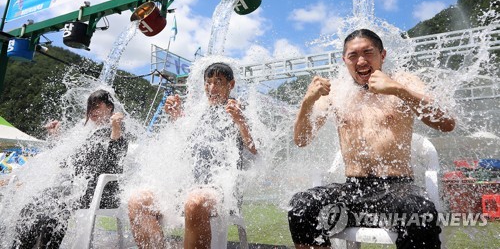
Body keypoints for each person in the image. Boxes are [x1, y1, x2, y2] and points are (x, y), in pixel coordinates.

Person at [289, 29, 455, 249]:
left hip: (398, 189)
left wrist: (398, 90)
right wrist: (307, 102)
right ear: (344, 60)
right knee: (301, 206)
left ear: (382, 55)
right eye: (353, 55)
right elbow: (302, 139)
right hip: (353, 190)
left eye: (368, 52)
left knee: (420, 210)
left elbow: (446, 123)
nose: (361, 61)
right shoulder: (336, 91)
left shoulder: (403, 81)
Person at [128, 62, 257, 249]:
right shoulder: (198, 114)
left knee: (194, 201)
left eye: (218, 82)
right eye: (208, 82)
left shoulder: (240, 111)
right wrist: (176, 117)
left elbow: (255, 152)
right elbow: (185, 148)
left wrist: (241, 122)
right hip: (189, 187)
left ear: (231, 85)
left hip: (223, 192)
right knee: (137, 200)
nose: (212, 88)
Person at [12, 89, 129, 249]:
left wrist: (116, 129)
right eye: (90, 107)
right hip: (81, 190)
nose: (92, 111)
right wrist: (56, 136)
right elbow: (67, 162)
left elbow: (113, 160)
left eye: (97, 106)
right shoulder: (89, 134)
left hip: (104, 192)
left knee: (56, 203)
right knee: (34, 204)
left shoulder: (117, 130)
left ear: (109, 107)